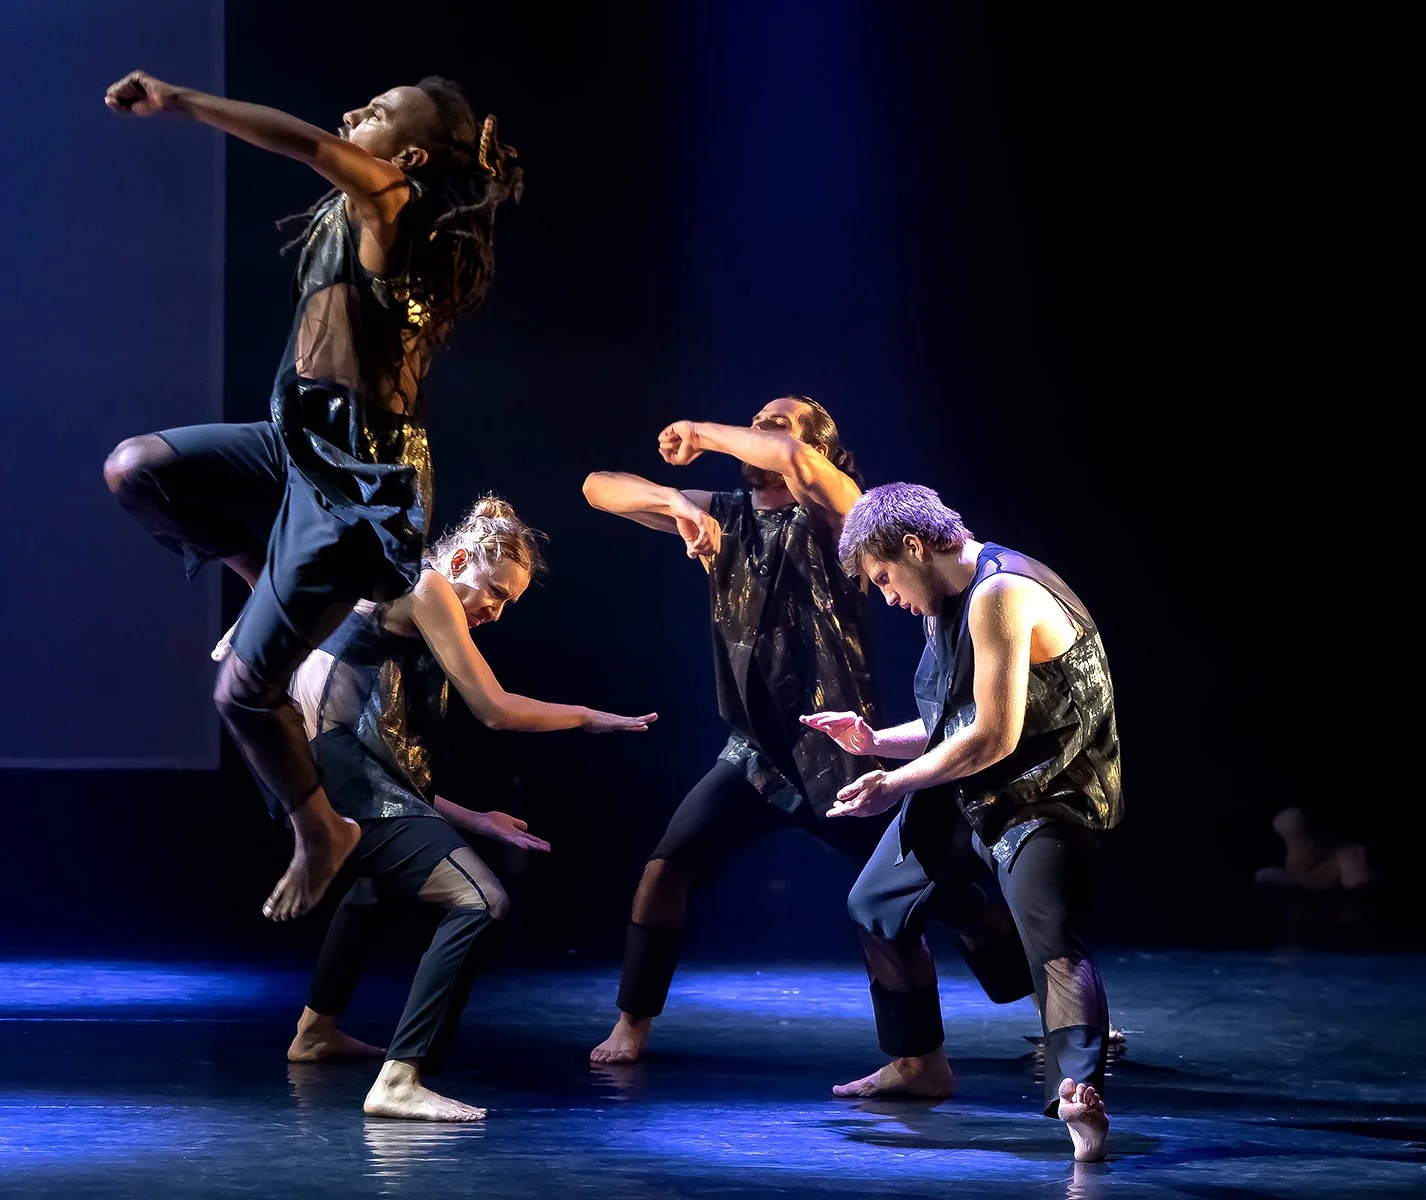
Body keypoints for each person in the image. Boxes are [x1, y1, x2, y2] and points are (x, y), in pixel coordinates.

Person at [101, 70, 522, 920]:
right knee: (135, 468)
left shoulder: (393, 200)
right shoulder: (364, 207)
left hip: (358, 479)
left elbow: (308, 143)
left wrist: (180, 101)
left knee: (240, 695)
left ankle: (321, 832)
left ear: (409, 156)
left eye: (378, 112)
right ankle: (262, 576)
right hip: (295, 443)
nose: (354, 112)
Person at [584, 399, 1031, 1066]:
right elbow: (598, 487)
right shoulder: (725, 516)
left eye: (779, 422)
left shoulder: (843, 520)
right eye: (758, 419)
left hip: (838, 757)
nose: (761, 429)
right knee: (664, 871)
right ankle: (632, 1024)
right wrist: (676, 506)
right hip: (754, 758)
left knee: (948, 897)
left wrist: (702, 433)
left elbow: (794, 461)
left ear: (821, 449)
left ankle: (1049, 1005)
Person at [282, 497, 655, 1121]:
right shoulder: (428, 586)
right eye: (495, 592)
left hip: (335, 777)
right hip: (334, 780)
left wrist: (476, 819)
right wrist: (588, 717)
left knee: (377, 887)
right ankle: (399, 1080)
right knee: (480, 901)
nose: (496, 611)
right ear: (459, 562)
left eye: (509, 602)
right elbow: (495, 709)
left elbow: (387, 767)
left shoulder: (409, 598)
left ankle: (314, 1032)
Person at [806, 482, 1121, 1161]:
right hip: (974, 787)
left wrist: (892, 783)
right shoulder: (944, 601)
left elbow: (994, 737)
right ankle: (919, 1065)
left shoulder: (1001, 592)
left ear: (914, 547)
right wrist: (875, 742)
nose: (888, 597)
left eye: (885, 578)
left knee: (1049, 933)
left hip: (1049, 793)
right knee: (877, 902)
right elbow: (955, 723)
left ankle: (1079, 1096)